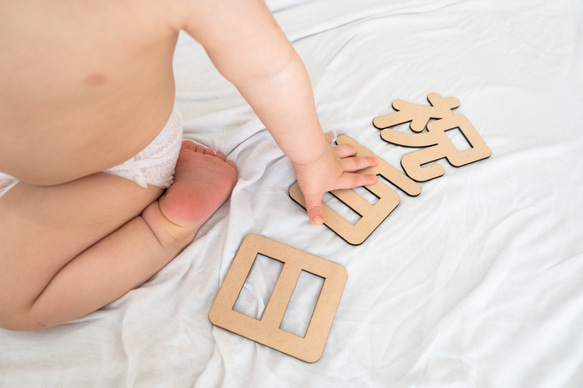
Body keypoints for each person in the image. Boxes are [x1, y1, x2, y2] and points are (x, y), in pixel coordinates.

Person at [0, 0, 378, 331]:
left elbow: (268, 70)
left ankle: (164, 228)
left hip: (120, 168)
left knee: (12, 300)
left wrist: (312, 157)